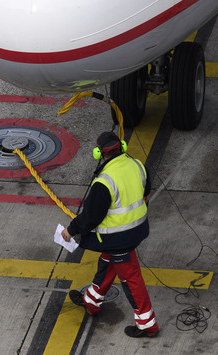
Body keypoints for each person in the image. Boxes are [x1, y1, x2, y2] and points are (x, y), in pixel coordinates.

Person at [61, 131, 159, 338]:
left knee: (131, 278)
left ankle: (147, 324)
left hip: (118, 238)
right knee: (108, 260)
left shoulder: (104, 181)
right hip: (138, 230)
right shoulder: (138, 165)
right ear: (121, 147)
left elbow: (91, 217)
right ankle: (92, 301)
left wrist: (70, 230)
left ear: (99, 153)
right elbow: (145, 194)